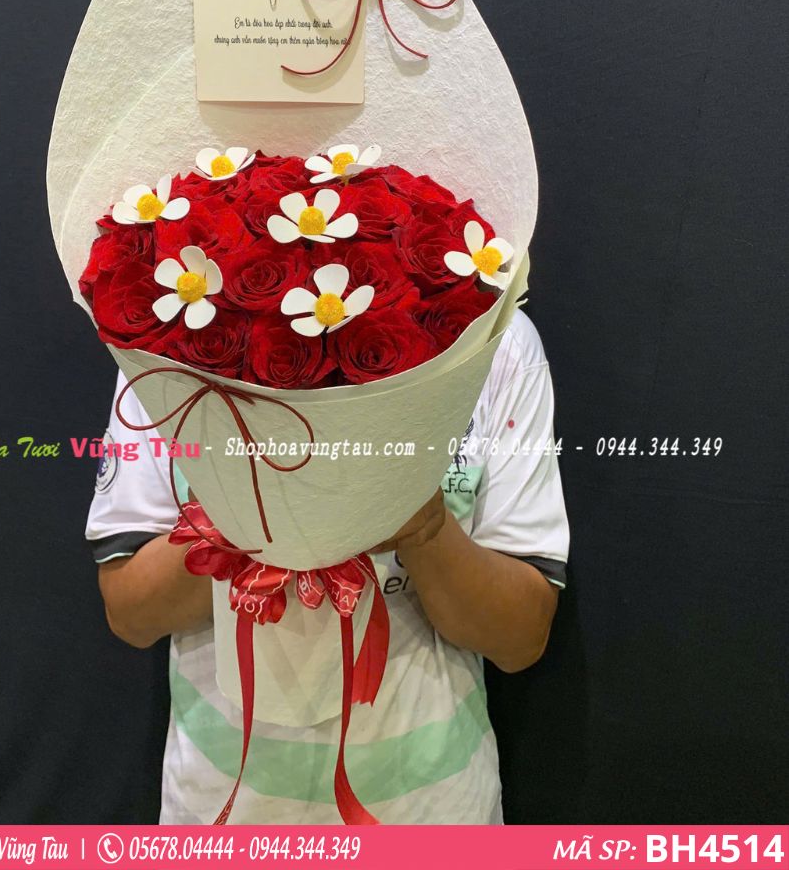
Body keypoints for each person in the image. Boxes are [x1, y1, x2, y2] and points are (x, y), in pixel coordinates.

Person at [85, 308, 569, 824]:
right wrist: (243, 502)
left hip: (432, 812)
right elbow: (130, 613)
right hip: (220, 811)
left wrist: (424, 526)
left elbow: (522, 637)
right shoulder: (169, 331)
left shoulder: (490, 336)